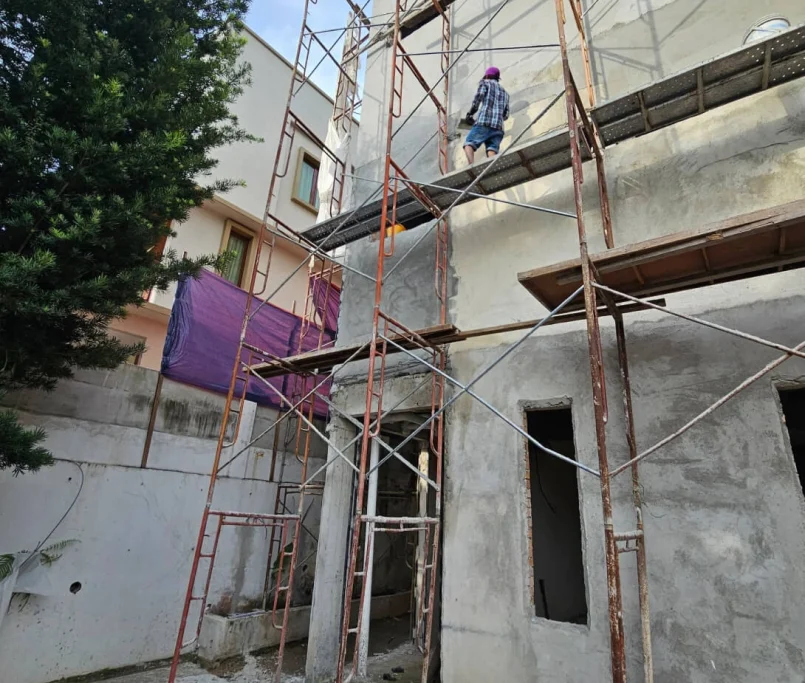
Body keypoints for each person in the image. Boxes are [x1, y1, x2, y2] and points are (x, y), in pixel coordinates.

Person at [463, 66, 510, 164]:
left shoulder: (485, 83)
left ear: (487, 75)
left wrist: (470, 113)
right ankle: (491, 169)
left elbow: (478, 97)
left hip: (484, 122)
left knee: (469, 143)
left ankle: (471, 167)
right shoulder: (505, 93)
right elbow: (505, 116)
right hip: (499, 128)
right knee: (492, 149)